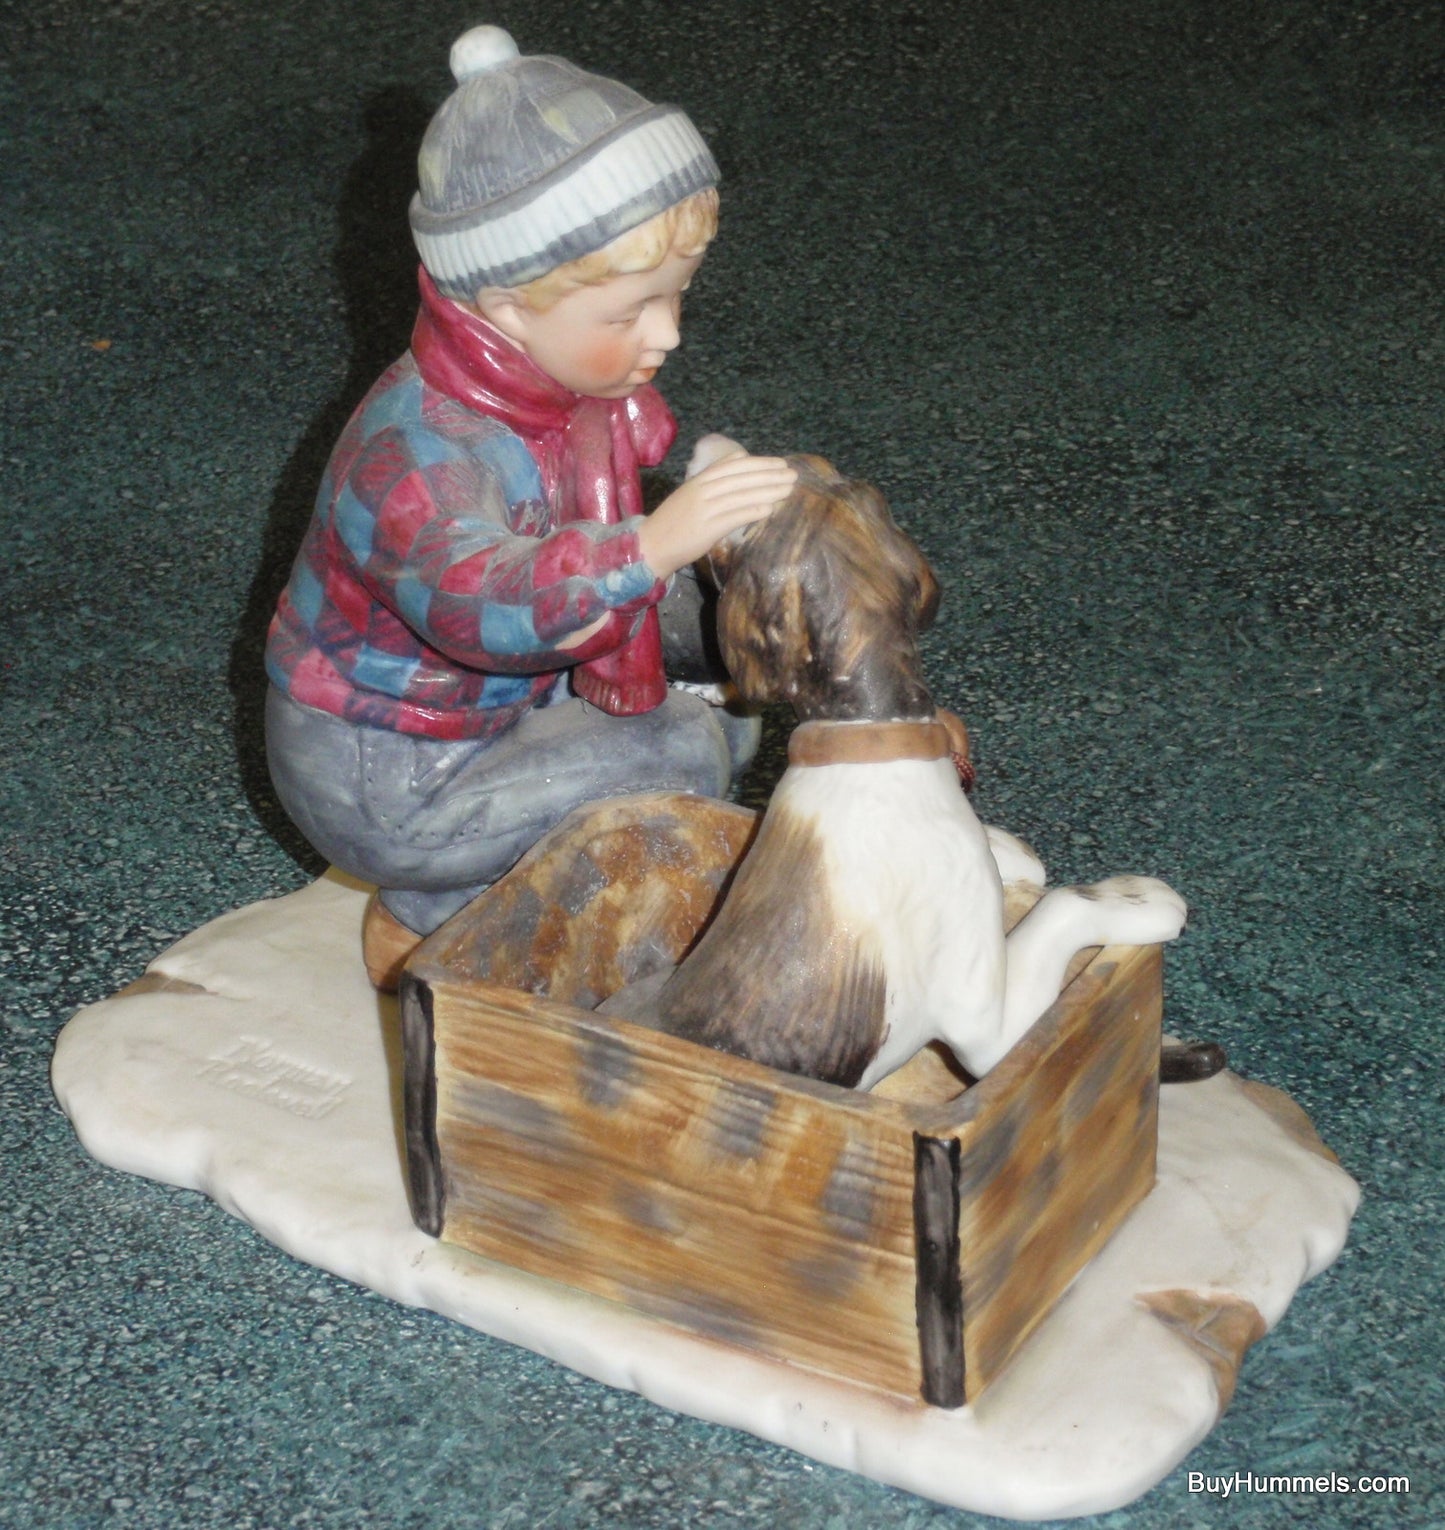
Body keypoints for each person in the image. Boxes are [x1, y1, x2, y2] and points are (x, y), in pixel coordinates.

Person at [264, 25, 795, 984]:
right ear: (505, 306)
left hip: (499, 706)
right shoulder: (413, 456)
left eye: (676, 296)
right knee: (683, 748)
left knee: (729, 648)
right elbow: (482, 604)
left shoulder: (558, 397)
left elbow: (624, 495)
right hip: (393, 768)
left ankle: (509, 884)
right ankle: (445, 917)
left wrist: (709, 510)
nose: (666, 333)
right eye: (630, 312)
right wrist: (656, 539)